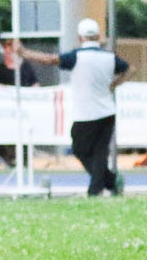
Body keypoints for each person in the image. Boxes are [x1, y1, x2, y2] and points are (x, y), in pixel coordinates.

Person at [22, 18, 130, 196]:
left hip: (85, 113)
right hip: (107, 111)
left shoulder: (76, 56)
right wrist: (114, 84)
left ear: (80, 37)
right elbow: (129, 69)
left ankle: (100, 186)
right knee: (100, 151)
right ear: (98, 36)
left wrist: (25, 53)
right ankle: (106, 183)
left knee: (80, 149)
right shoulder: (110, 57)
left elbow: (49, 59)